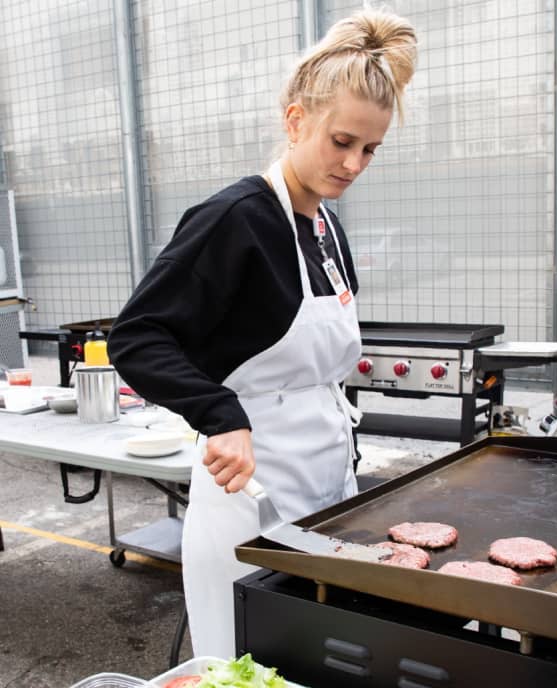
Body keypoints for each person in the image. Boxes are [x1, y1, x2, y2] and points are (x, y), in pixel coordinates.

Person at [107, 8, 417, 657]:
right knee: (246, 669)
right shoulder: (235, 219)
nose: (354, 163)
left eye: (370, 148)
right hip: (251, 503)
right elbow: (137, 335)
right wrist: (219, 415)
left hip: (328, 496)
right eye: (341, 141)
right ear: (296, 118)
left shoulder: (328, 230)